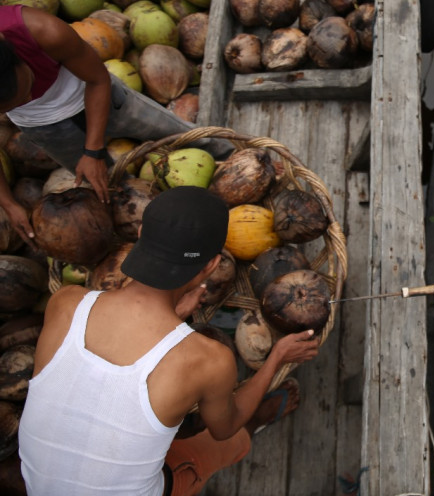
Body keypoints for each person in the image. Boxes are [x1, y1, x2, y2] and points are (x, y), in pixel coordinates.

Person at [18, 186, 320, 496]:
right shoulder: (209, 359)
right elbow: (223, 428)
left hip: (38, 486)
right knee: (231, 441)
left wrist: (172, 315)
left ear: (141, 232)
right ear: (211, 266)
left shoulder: (66, 303)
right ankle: (259, 420)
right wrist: (275, 359)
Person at [0, 4, 229, 246]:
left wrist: (93, 149)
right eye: (11, 107)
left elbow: (98, 79)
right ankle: (176, 229)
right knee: (114, 191)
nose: (29, 99)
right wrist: (8, 203)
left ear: (17, 60)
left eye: (26, 92)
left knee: (183, 135)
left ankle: (240, 156)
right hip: (45, 129)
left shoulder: (43, 31)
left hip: (99, 95)